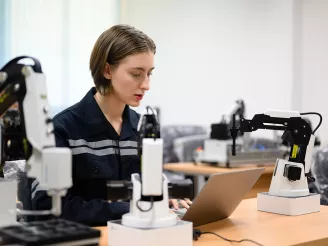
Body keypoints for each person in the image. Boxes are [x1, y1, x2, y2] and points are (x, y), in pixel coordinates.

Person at [32, 24, 191, 226]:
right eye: (136, 74)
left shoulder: (142, 127)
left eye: (150, 73)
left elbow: (148, 187)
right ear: (107, 70)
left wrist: (164, 199)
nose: (146, 85)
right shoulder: (62, 129)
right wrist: (132, 208)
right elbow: (46, 206)